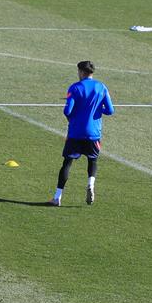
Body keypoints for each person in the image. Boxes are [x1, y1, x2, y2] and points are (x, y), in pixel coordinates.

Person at [48, 60, 114, 206]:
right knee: (93, 160)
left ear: (82, 72)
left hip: (76, 133)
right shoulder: (102, 87)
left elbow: (67, 111)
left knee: (67, 163)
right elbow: (110, 110)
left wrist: (72, 120)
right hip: (94, 133)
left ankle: (57, 197)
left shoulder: (75, 87)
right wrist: (98, 109)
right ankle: (91, 184)